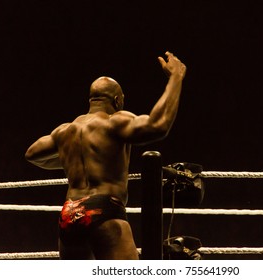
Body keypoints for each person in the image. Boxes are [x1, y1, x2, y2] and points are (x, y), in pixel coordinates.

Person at [25, 51, 187, 260]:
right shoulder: (115, 121)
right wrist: (176, 78)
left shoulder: (65, 131)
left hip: (70, 213)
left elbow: (32, 154)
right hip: (103, 210)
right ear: (118, 100)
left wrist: (69, 158)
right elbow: (159, 125)